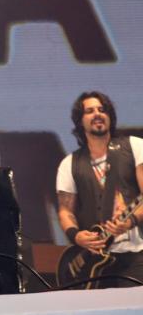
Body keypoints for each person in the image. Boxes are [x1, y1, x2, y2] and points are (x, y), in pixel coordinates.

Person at [56, 91, 143, 287]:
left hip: (136, 255)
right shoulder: (70, 164)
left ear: (110, 117)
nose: (97, 114)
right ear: (80, 121)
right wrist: (76, 236)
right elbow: (65, 211)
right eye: (90, 111)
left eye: (102, 110)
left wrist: (131, 221)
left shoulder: (135, 147)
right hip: (94, 260)